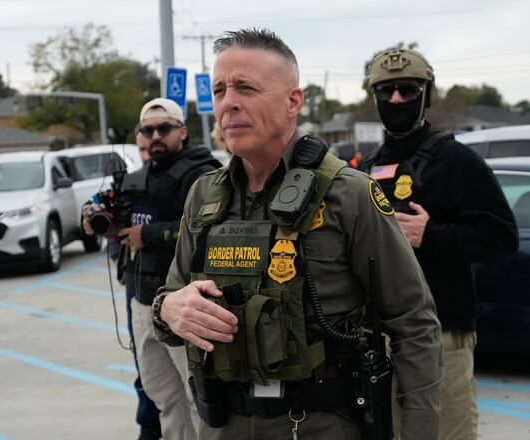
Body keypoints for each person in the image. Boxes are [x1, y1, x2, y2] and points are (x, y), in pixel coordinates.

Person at [151, 28, 442, 440]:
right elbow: (171, 298)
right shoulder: (204, 195)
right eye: (219, 90)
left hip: (317, 424)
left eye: (246, 87)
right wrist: (168, 310)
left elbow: (414, 324)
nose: (228, 102)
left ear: (293, 101)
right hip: (223, 425)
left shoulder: (350, 193)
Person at [358, 47, 520, 440]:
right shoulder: (369, 167)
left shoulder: (458, 161)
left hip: (443, 335)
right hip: (382, 339)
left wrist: (432, 235)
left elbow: (503, 236)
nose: (396, 99)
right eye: (386, 91)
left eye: (408, 90)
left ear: (426, 95)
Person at [83, 97, 221, 440]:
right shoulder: (138, 177)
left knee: (196, 398)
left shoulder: (201, 174)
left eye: (164, 128)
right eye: (148, 129)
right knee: (162, 396)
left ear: (183, 132)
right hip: (143, 300)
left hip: (184, 302)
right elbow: (107, 208)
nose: (155, 135)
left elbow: (210, 230)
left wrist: (150, 233)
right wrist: (94, 214)